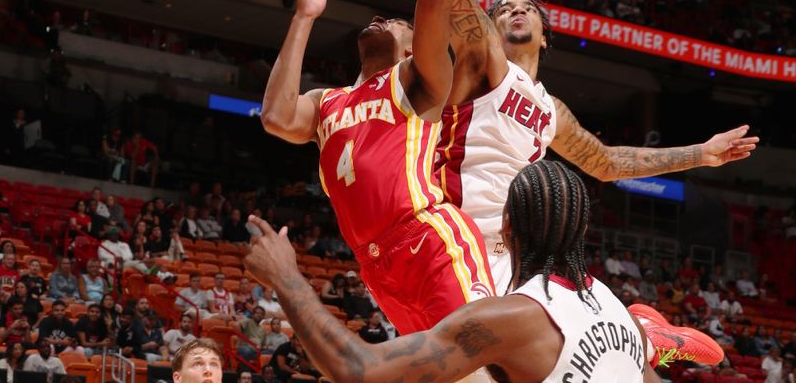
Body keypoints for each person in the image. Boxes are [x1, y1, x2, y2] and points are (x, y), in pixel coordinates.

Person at [361, 0, 759, 297]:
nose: (513, 12)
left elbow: (609, 162)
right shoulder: (482, 56)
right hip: (449, 237)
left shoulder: (552, 112)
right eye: (503, 8)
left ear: (546, 37)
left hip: (510, 257)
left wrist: (702, 154)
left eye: (525, 7)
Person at [258, 0, 532, 341]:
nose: (382, 21)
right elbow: (276, 117)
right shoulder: (329, 103)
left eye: (396, 22)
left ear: (413, 45)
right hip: (375, 267)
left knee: (485, 365)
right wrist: (303, 17)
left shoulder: (416, 82)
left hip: (428, 240)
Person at [243, 160, 725, 382]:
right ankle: (651, 340)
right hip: (619, 330)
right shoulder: (608, 299)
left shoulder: (510, 319)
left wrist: (288, 278)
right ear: (583, 229)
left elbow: (360, 369)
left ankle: (655, 340)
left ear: (507, 226)